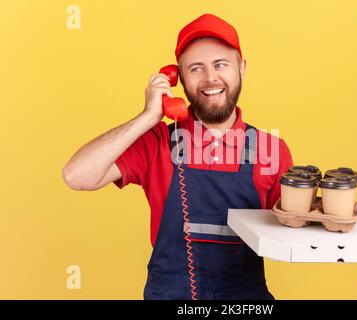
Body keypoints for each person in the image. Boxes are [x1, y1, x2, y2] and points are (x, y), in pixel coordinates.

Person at [62, 13, 293, 300]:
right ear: (178, 78)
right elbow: (76, 175)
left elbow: (291, 231)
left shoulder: (271, 149)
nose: (211, 78)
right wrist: (147, 118)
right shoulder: (155, 142)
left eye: (221, 64)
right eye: (196, 68)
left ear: (242, 69)